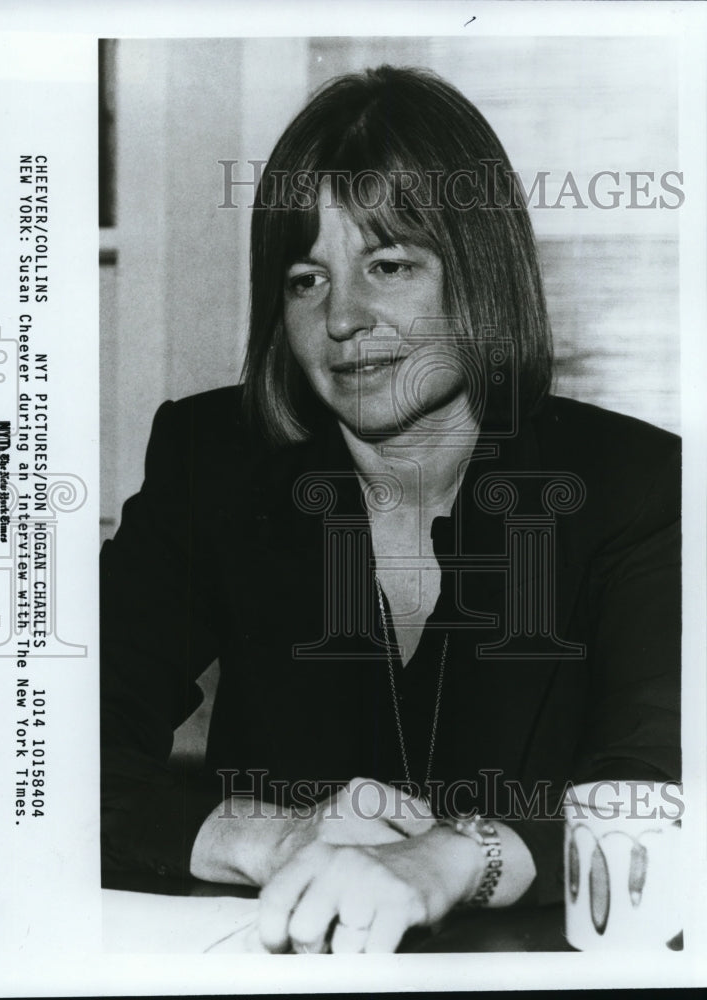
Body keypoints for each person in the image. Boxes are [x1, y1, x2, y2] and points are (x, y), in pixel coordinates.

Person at [100, 66, 680, 953]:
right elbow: (34, 753)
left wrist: (454, 859)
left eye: (390, 265)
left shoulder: (637, 484)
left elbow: (662, 790)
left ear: (480, 276)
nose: (343, 318)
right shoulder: (209, 463)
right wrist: (263, 835)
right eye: (306, 278)